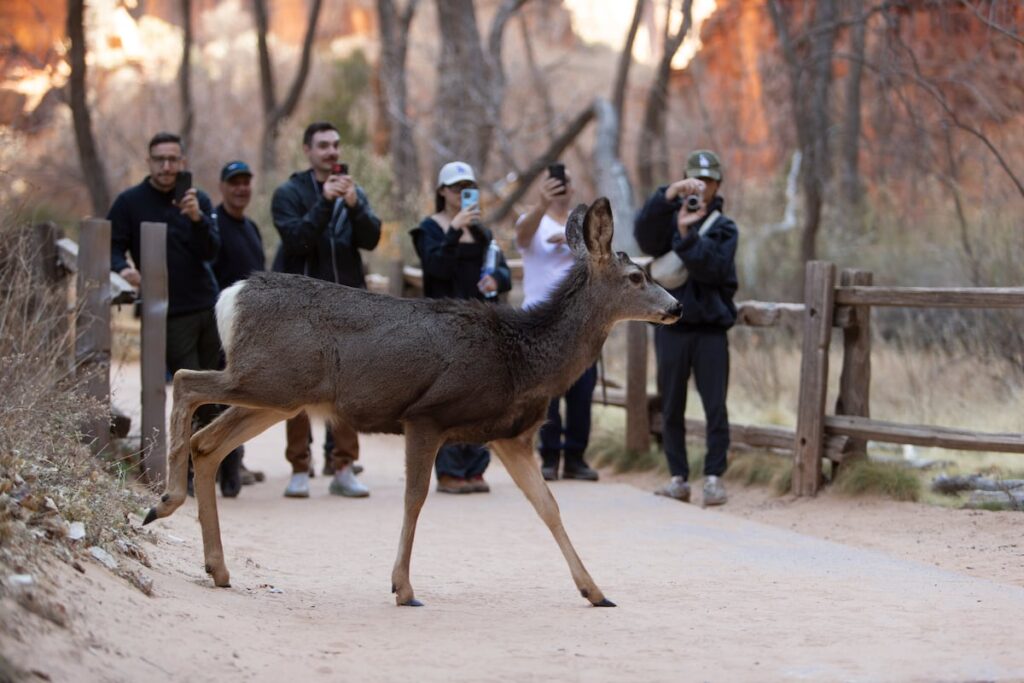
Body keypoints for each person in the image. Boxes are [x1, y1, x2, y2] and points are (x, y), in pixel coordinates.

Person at [108, 132, 231, 496]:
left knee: (219, 389)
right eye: (159, 159)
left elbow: (211, 251)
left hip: (207, 306)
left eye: (173, 159)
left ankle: (219, 465)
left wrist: (196, 218)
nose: (166, 166)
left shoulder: (198, 199)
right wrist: (124, 269)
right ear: (149, 162)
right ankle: (187, 473)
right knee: (190, 391)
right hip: (168, 311)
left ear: (182, 162)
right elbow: (112, 247)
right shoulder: (129, 203)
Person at [271, 122, 381, 499]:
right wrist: (324, 201)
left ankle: (344, 467)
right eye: (323, 146)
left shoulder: (355, 191)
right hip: (302, 308)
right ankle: (299, 467)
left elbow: (371, 238)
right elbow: (297, 240)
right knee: (299, 388)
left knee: (348, 390)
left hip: (348, 306)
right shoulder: (289, 192)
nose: (332, 152)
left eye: (336, 144)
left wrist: (352, 205)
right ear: (307, 151)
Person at [633, 149, 738, 506]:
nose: (701, 188)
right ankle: (678, 476)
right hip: (671, 327)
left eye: (708, 181)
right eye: (695, 180)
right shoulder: (669, 218)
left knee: (715, 406)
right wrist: (668, 196)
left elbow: (714, 268)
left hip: (710, 330)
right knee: (671, 404)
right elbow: (643, 235)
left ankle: (713, 477)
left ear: (718, 185)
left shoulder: (724, 228)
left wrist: (687, 235)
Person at [410, 161, 512, 494]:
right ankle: (450, 470)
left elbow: (503, 272)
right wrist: (453, 230)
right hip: (444, 328)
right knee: (448, 400)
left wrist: (494, 278)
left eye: (467, 187)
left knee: (481, 400)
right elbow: (435, 267)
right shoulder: (430, 228)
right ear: (442, 192)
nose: (460, 193)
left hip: (481, 326)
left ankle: (475, 468)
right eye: (455, 188)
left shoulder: (483, 233)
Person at [515, 166, 599, 482]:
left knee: (582, 392)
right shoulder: (532, 222)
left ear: (574, 190)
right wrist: (541, 204)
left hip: (582, 323)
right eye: (554, 184)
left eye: (565, 183)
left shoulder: (583, 227)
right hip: (541, 322)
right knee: (546, 395)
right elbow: (522, 238)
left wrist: (575, 244)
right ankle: (549, 457)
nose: (561, 188)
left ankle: (576, 457)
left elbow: (603, 264)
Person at [210, 160, 266, 490]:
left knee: (242, 396)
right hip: (220, 322)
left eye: (246, 181)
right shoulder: (213, 224)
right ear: (222, 186)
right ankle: (218, 468)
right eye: (234, 182)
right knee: (219, 396)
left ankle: (234, 464)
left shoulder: (251, 228)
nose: (241, 188)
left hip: (250, 328)